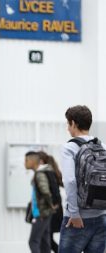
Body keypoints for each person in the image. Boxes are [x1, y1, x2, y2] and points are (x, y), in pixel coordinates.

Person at [59, 105, 106, 253]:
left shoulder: (69, 148)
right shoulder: (102, 146)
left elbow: (70, 181)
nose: (68, 128)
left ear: (74, 123)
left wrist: (74, 214)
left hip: (76, 219)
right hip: (101, 216)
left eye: (68, 123)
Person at [25, 151, 55, 253]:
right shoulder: (39, 173)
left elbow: (45, 191)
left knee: (33, 241)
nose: (25, 163)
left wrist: (50, 204)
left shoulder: (39, 174)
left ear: (33, 161)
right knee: (45, 242)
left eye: (26, 160)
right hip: (44, 212)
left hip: (41, 213)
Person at [37, 151, 63, 253]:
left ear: (41, 161)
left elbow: (55, 193)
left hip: (52, 211)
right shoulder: (48, 172)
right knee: (46, 239)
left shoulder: (47, 172)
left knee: (45, 239)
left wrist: (52, 206)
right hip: (52, 210)